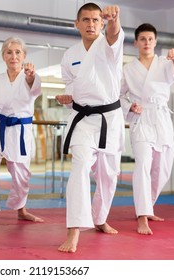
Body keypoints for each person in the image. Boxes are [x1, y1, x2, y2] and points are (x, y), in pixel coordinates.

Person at [56, 3, 125, 253]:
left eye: (96, 20)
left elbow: (116, 34)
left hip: (109, 118)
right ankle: (74, 230)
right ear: (77, 24)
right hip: (82, 118)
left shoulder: (108, 45)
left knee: (108, 176)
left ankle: (100, 218)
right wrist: (67, 96)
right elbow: (70, 85)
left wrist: (115, 20)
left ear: (102, 23)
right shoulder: (69, 54)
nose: (91, 24)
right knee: (80, 167)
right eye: (85, 20)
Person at [0, 37, 44, 239]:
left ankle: (21, 209)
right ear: (3, 56)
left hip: (19, 133)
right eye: (9, 52)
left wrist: (30, 76)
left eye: (17, 52)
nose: (13, 56)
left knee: (22, 177)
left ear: (24, 56)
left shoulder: (31, 76)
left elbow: (35, 88)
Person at [120, 23, 174, 235]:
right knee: (143, 166)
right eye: (143, 39)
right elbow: (119, 95)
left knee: (164, 167)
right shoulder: (128, 69)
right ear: (136, 42)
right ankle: (142, 216)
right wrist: (129, 106)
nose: (147, 43)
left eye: (150, 39)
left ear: (155, 42)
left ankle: (147, 206)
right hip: (141, 118)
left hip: (161, 117)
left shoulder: (166, 63)